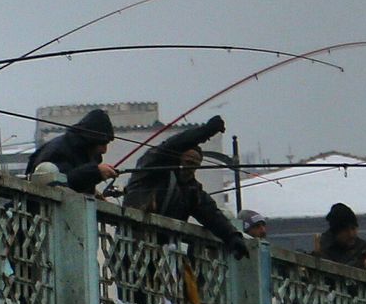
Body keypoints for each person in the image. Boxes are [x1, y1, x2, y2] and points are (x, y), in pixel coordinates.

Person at [122, 116, 248, 257]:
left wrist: (232, 236)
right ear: (177, 159)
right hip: (133, 246)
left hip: (162, 254)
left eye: (195, 166)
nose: (190, 169)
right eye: (188, 162)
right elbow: (172, 145)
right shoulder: (153, 167)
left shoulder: (191, 190)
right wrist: (205, 132)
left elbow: (210, 213)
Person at [25, 108, 116, 194]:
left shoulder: (84, 152)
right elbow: (62, 184)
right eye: (102, 144)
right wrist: (95, 172)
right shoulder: (58, 151)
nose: (104, 151)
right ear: (90, 140)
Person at [313, 202, 366, 268]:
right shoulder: (324, 251)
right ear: (336, 232)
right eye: (345, 231)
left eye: (353, 228)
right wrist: (362, 264)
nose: (351, 234)